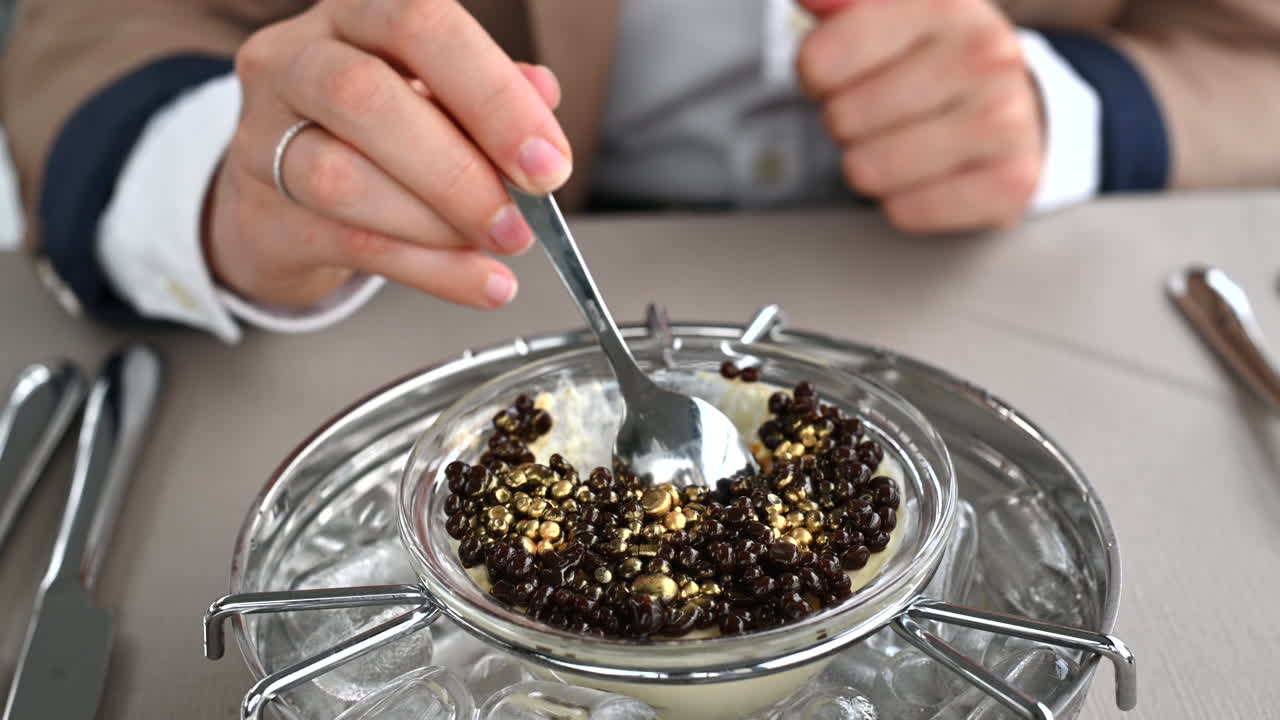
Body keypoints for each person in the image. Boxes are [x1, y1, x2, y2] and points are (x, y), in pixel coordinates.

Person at [2, 0, 1277, 342]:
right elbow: (98, 28)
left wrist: (1071, 110)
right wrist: (235, 189)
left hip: (1016, 291)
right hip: (403, 321)